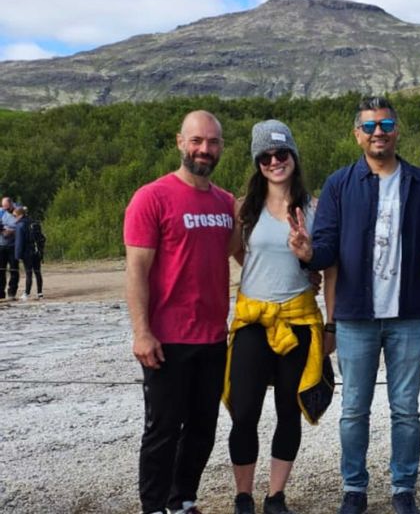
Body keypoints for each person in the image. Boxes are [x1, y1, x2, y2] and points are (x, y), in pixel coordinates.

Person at [287, 96, 420, 514]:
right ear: (357, 134)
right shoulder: (340, 184)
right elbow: (325, 249)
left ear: (397, 130)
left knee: (405, 410)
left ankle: (402, 489)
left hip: (407, 317)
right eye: (370, 126)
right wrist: (306, 253)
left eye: (386, 123)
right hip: (356, 316)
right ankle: (354, 489)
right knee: (354, 409)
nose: (379, 132)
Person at [124, 110, 235, 514]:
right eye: (197, 141)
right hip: (167, 338)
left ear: (221, 147)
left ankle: (182, 501)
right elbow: (136, 269)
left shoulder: (226, 203)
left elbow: (250, 257)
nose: (204, 149)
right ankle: (153, 507)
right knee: (163, 430)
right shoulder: (151, 197)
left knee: (203, 429)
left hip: (212, 337)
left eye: (213, 142)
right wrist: (142, 331)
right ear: (180, 142)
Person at [225, 119, 335, 514]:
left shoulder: (315, 208)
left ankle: (275, 496)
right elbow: (237, 251)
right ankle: (242, 497)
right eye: (266, 156)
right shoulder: (244, 209)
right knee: (244, 411)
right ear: (258, 162)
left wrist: (331, 324)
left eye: (281, 153)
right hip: (254, 320)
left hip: (299, 319)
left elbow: (330, 266)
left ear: (294, 157)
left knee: (289, 412)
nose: (275, 161)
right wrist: (262, 271)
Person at [12, 206, 44, 300]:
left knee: (29, 273)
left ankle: (26, 293)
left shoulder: (20, 225)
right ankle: (40, 293)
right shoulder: (34, 222)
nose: (15, 218)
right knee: (38, 272)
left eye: (15, 216)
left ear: (20, 215)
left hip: (27, 253)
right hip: (37, 251)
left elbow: (19, 242)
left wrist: (17, 256)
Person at [0, 196, 20, 300]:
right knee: (1, 270)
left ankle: (12, 293)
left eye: (7, 208)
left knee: (14, 270)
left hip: (13, 246)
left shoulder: (18, 211)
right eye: (3, 207)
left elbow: (22, 226)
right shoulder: (1, 212)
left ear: (11, 204)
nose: (5, 210)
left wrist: (11, 231)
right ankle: (0, 294)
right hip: (1, 246)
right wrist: (3, 231)